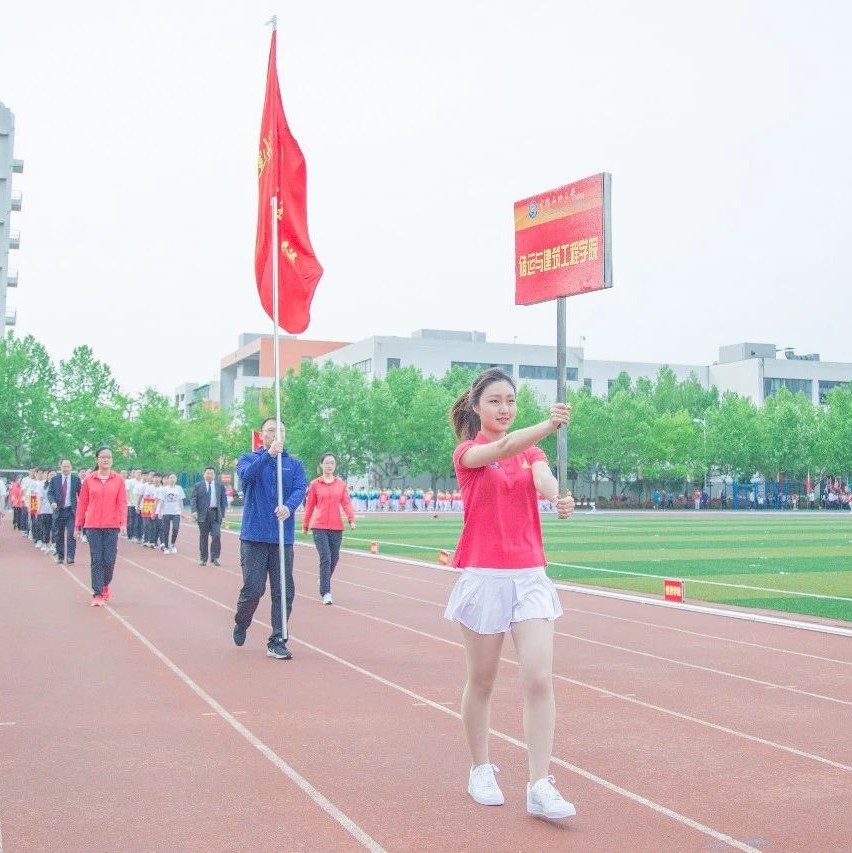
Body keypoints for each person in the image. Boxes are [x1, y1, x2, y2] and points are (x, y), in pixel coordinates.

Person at [443, 367, 577, 821]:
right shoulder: (469, 453)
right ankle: (480, 767)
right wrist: (549, 422)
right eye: (496, 401)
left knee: (539, 678)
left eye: (511, 401)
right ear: (477, 407)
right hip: (485, 576)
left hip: (529, 575)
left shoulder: (532, 451)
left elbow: (541, 476)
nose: (504, 409)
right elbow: (502, 447)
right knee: (482, 681)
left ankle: (539, 782)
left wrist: (558, 496)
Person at [232, 418, 306, 660]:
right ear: (261, 435)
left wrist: (289, 507)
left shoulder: (294, 465)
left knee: (284, 591)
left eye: (280, 431)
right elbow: (247, 478)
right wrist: (268, 456)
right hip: (254, 536)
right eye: (271, 431)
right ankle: (242, 621)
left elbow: (299, 489)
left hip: (282, 538)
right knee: (253, 589)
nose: (276, 435)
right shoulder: (249, 459)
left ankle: (277, 639)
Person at [75, 447, 127, 606]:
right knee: (97, 559)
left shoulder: (118, 480)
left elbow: (122, 503)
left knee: (109, 560)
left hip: (112, 525)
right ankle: (97, 594)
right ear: (97, 459)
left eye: (109, 457)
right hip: (93, 526)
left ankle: (105, 585)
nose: (106, 460)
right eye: (103, 457)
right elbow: (82, 503)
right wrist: (78, 525)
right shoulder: (89, 480)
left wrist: (123, 523)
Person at [302, 452, 356, 605]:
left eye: (332, 463)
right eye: (326, 463)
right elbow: (310, 506)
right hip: (319, 527)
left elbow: (346, 503)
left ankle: (323, 579)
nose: (329, 465)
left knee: (335, 558)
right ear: (321, 465)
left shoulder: (341, 484)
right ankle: (326, 593)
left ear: (335, 465)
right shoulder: (315, 484)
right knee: (325, 557)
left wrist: (351, 519)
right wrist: (305, 524)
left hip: (336, 526)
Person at [190, 466, 228, 566]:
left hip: (215, 514)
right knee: (204, 537)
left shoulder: (219, 486)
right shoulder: (198, 486)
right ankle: (203, 558)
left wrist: (223, 513)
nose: (209, 475)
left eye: (211, 473)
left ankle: (215, 557)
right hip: (203, 514)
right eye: (208, 473)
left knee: (216, 535)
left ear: (214, 475)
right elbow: (193, 499)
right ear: (204, 474)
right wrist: (194, 511)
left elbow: (223, 500)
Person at [47, 460, 82, 564]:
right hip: (59, 510)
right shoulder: (55, 479)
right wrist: (52, 502)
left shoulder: (76, 479)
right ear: (60, 467)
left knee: (71, 534)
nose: (66, 469)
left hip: (71, 511)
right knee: (58, 534)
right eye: (64, 466)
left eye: (67, 466)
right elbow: (50, 493)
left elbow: (81, 495)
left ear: (71, 467)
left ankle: (71, 557)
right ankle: (61, 556)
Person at [155, 473, 186, 554]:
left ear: (176, 479)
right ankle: (166, 546)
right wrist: (160, 512)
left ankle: (172, 544)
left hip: (176, 512)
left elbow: (181, 501)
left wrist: (182, 512)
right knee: (166, 530)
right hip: (166, 512)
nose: (172, 480)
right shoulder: (164, 489)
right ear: (168, 479)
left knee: (176, 528)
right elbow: (161, 501)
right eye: (171, 478)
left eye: (174, 478)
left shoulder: (179, 488)